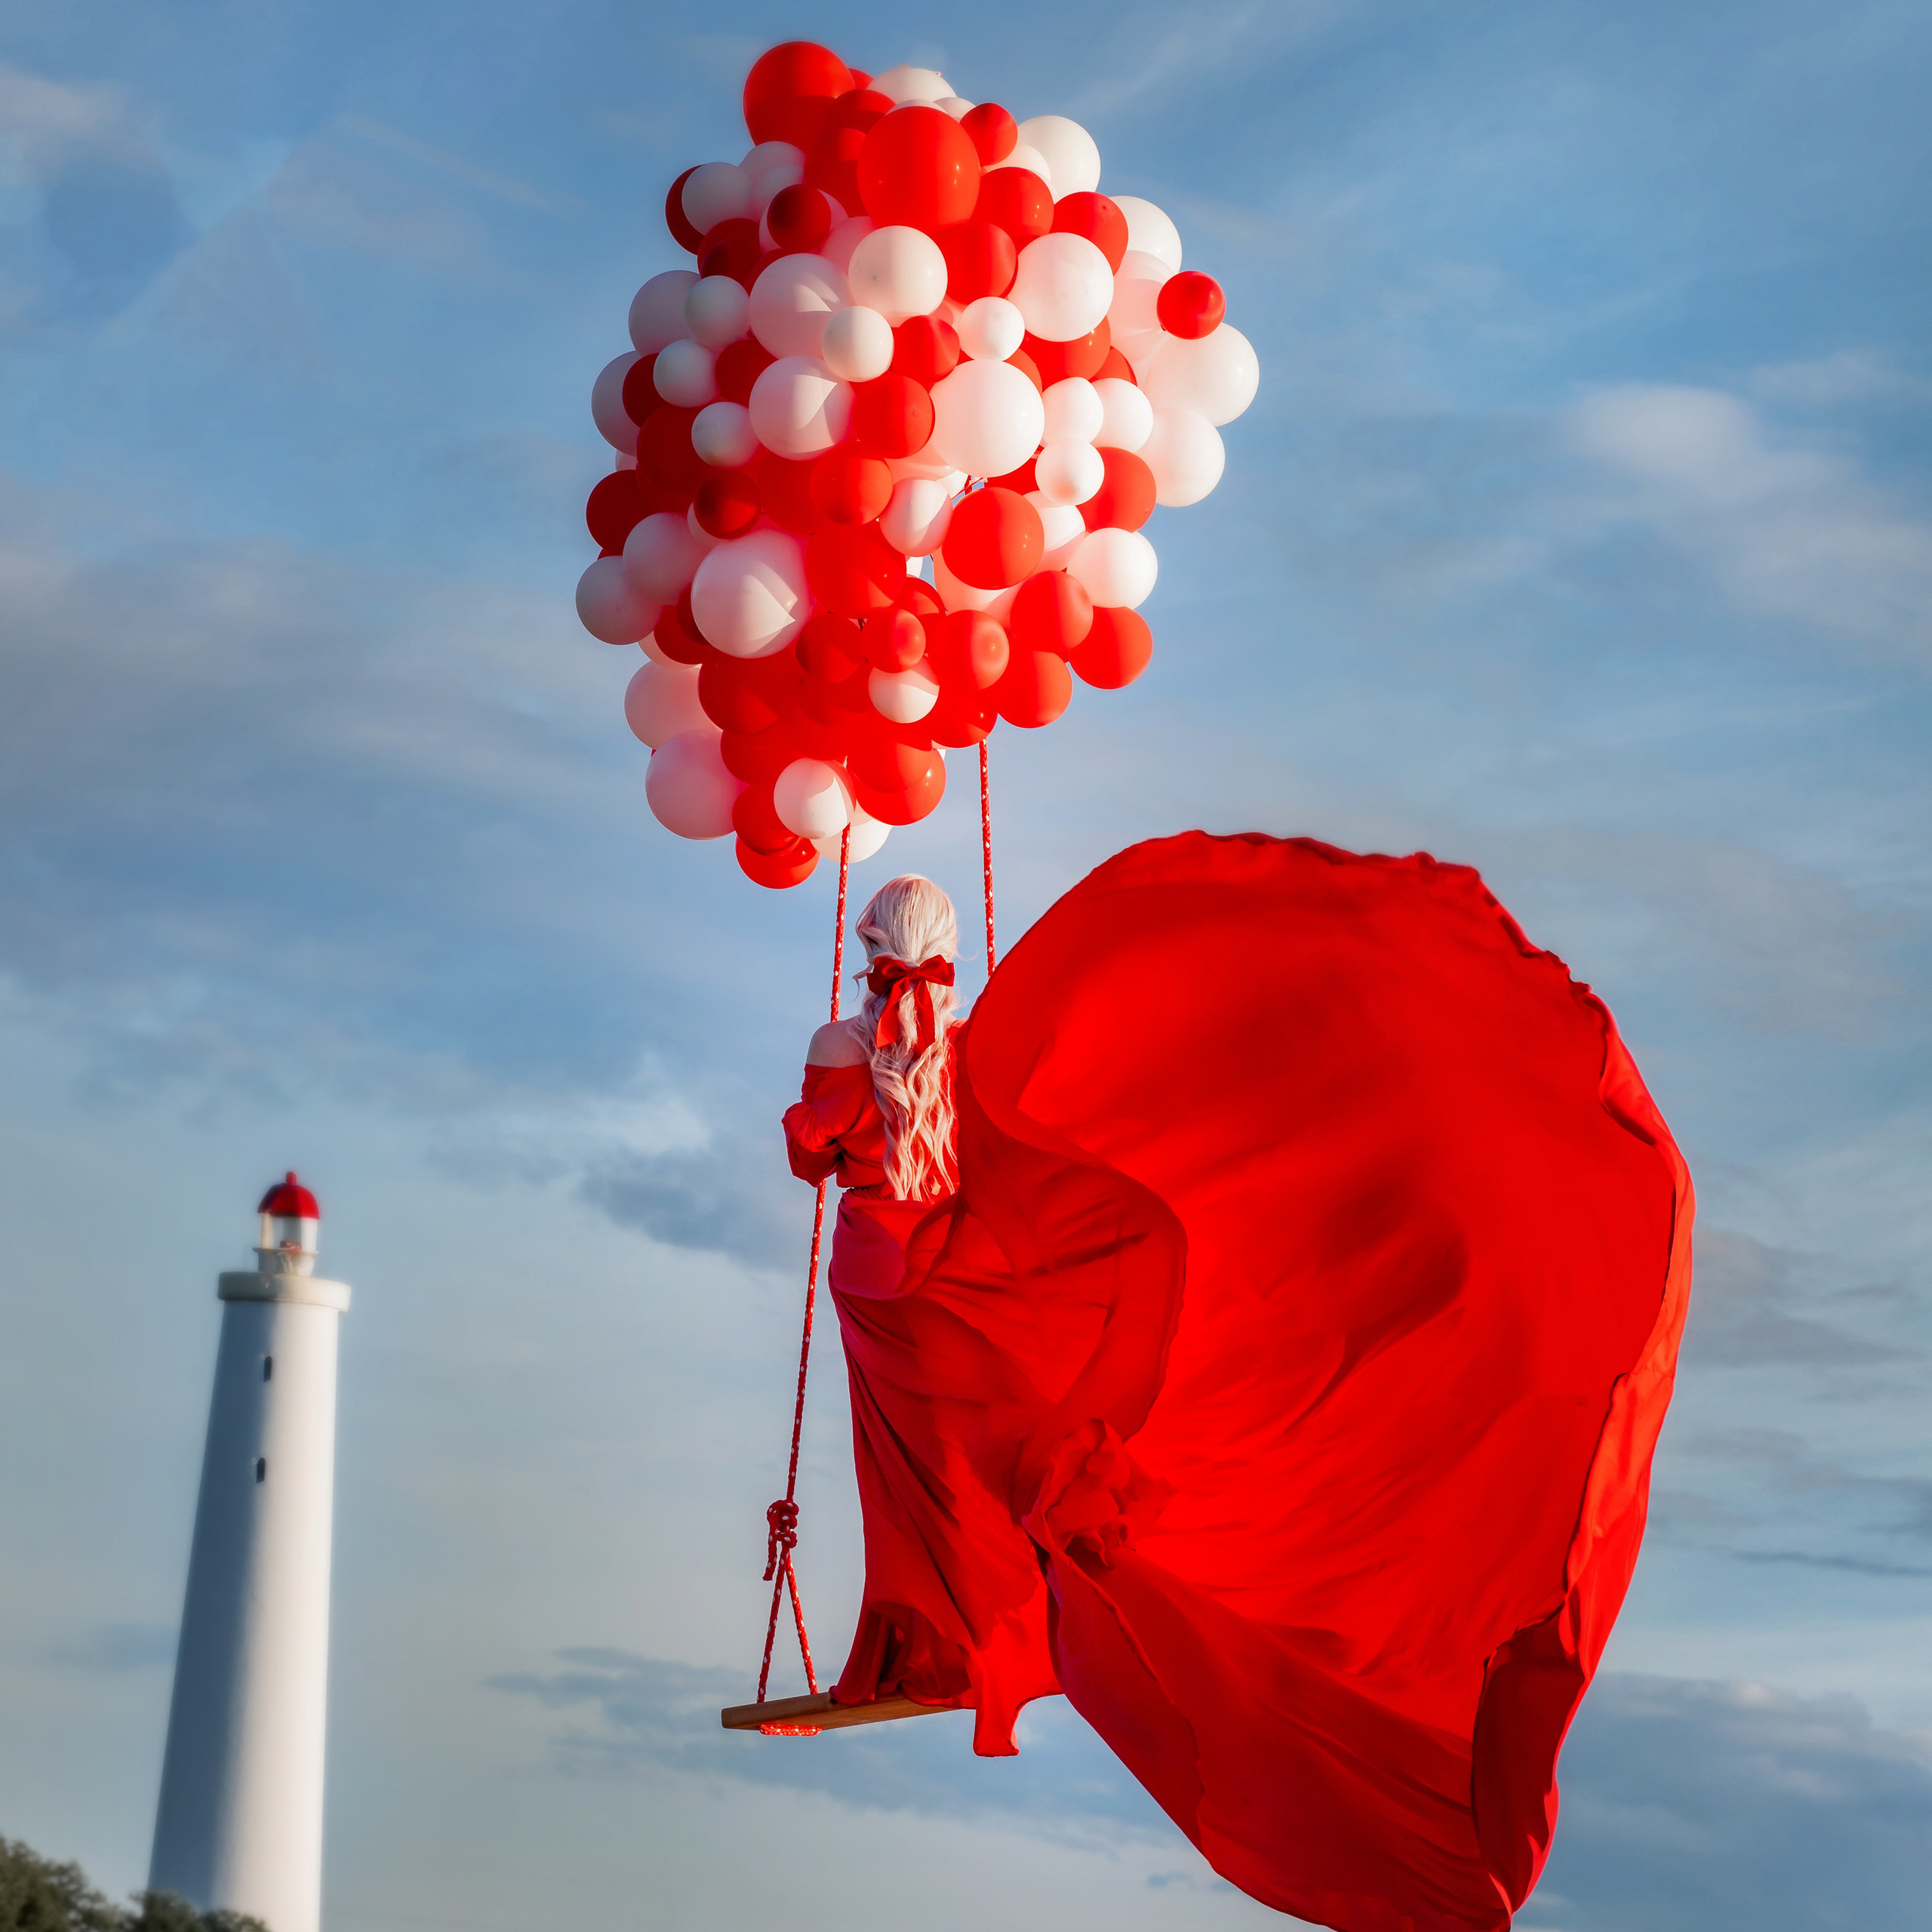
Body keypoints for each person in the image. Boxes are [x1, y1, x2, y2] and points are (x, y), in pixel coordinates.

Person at [782, 835, 1694, 1932]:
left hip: (886, 1280)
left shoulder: (846, 1043)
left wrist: (847, 1118)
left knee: (909, 1474)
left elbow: (811, 1145)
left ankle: (916, 1646)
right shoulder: (966, 1046)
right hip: (966, 1290)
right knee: (970, 1462)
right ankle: (966, 1638)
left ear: (870, 946)